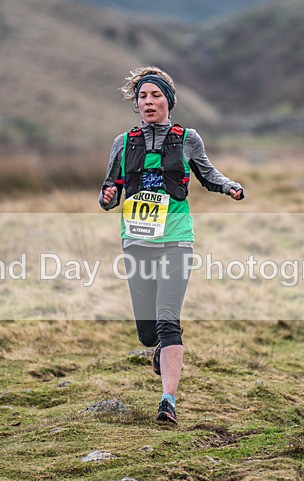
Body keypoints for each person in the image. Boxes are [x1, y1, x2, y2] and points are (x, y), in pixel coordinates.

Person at [99, 66, 244, 424]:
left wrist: (229, 186)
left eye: (155, 96)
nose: (148, 102)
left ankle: (168, 401)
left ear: (169, 101)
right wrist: (107, 196)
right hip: (136, 242)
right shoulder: (123, 143)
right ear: (136, 103)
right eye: (142, 97)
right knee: (148, 334)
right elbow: (111, 188)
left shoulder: (187, 139)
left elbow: (208, 173)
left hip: (176, 239)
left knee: (167, 321)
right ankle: (162, 348)